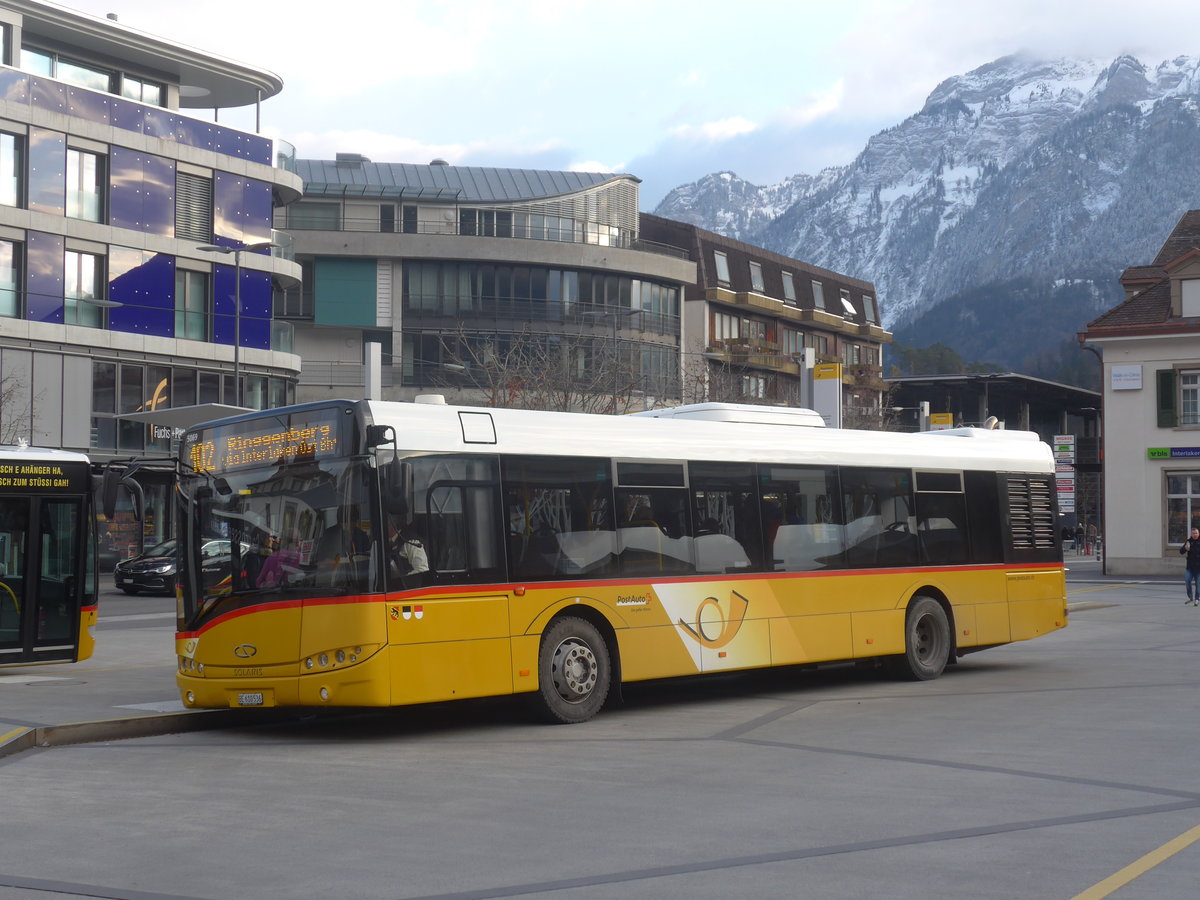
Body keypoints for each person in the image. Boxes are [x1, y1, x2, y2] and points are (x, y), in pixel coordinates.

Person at [1182, 527, 1200, 605]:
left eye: (1196, 533)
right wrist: (1185, 548)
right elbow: (1181, 551)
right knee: (1187, 580)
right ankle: (1190, 597)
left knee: (1198, 584)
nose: (1195, 535)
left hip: (1199, 567)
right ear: (1191, 534)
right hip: (1190, 567)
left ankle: (1197, 598)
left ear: (1198, 533)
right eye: (1193, 533)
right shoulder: (1188, 542)